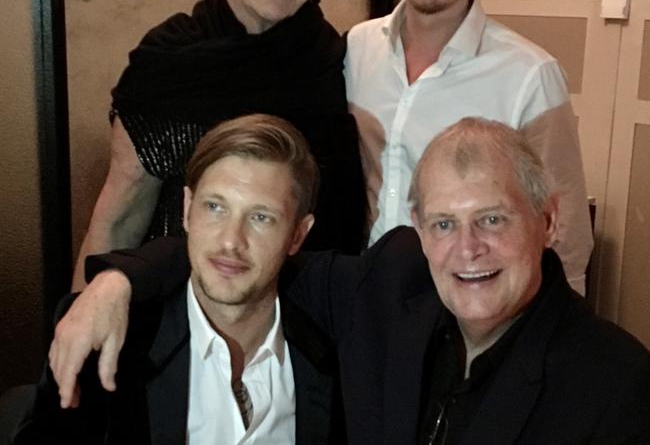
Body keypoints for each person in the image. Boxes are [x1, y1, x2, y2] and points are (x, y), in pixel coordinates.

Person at [48, 118, 649, 444]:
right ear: (417, 227)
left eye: (492, 218)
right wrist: (117, 283)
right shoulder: (390, 292)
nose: (468, 249)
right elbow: (237, 260)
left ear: (548, 221)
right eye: (444, 222)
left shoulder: (616, 384)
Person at [71, 0, 366, 290]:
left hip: (306, 309)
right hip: (176, 301)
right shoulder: (170, 60)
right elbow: (121, 214)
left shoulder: (336, 62)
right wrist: (80, 318)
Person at [14, 115, 343, 444]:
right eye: (215, 207)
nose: (231, 240)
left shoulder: (337, 352)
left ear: (298, 234)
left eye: (261, 217)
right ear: (187, 209)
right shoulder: (111, 340)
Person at [344, 0, 593, 292]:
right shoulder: (355, 50)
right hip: (363, 307)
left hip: (467, 314)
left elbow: (566, 239)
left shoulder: (530, 76)